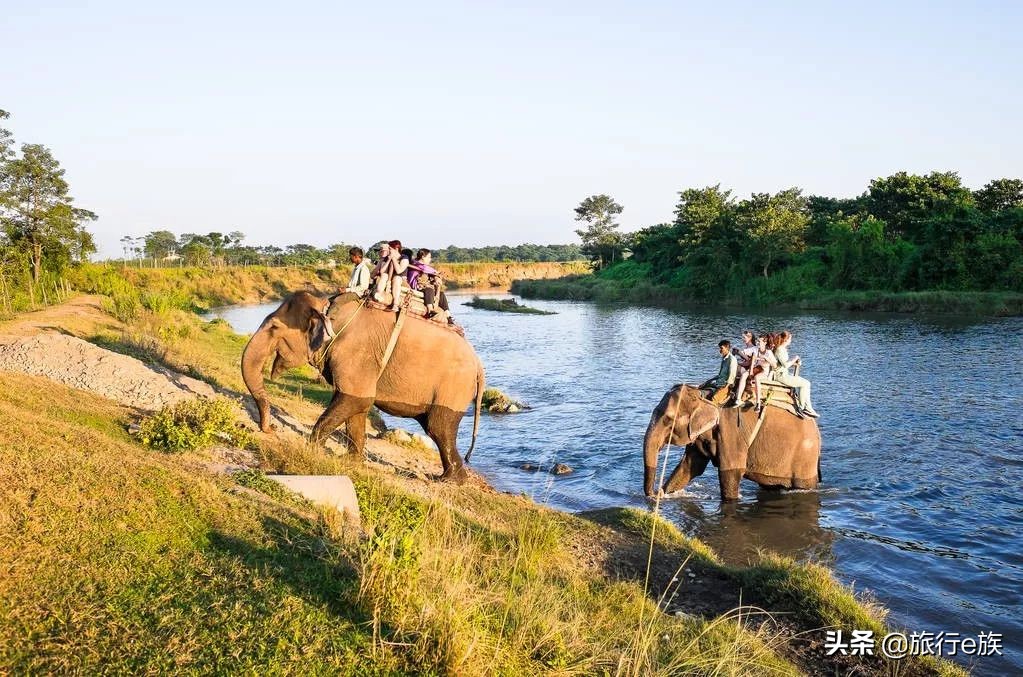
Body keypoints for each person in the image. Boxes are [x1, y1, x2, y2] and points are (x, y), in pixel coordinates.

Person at [772, 330, 819, 417]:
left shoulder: (783, 349)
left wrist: (796, 362)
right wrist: (795, 358)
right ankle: (802, 407)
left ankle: (808, 408)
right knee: (805, 384)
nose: (791, 341)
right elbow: (786, 365)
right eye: (790, 339)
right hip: (781, 375)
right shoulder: (779, 350)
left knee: (806, 383)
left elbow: (783, 363)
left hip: (784, 373)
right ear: (786, 340)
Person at [408, 248, 453, 323]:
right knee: (429, 290)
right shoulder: (417, 264)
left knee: (441, 294)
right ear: (422, 257)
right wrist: (437, 273)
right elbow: (427, 269)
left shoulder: (421, 266)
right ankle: (430, 310)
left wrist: (436, 277)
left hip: (424, 286)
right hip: (417, 287)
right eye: (429, 257)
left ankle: (448, 316)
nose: (430, 259)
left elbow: (430, 272)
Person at [372, 240, 411, 311]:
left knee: (397, 278)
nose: (388, 251)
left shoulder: (404, 258)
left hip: (400, 280)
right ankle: (379, 293)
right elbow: (382, 271)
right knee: (384, 275)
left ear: (396, 249)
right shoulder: (387, 257)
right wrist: (389, 259)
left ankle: (395, 303)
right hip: (388, 278)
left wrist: (393, 258)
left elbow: (399, 271)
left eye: (390, 249)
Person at [726, 330, 757, 407]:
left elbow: (750, 362)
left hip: (748, 369)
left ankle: (730, 387)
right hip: (743, 367)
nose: (743, 339)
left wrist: (739, 359)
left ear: (750, 338)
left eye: (744, 337)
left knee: (734, 367)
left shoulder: (753, 348)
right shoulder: (747, 348)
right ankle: (728, 386)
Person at [700, 340, 737, 404]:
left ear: (727, 348)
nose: (720, 350)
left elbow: (732, 375)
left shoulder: (732, 359)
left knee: (714, 400)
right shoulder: (724, 358)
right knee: (701, 387)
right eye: (720, 348)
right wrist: (709, 380)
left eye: (721, 348)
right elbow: (720, 374)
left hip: (725, 385)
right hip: (719, 383)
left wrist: (726, 388)